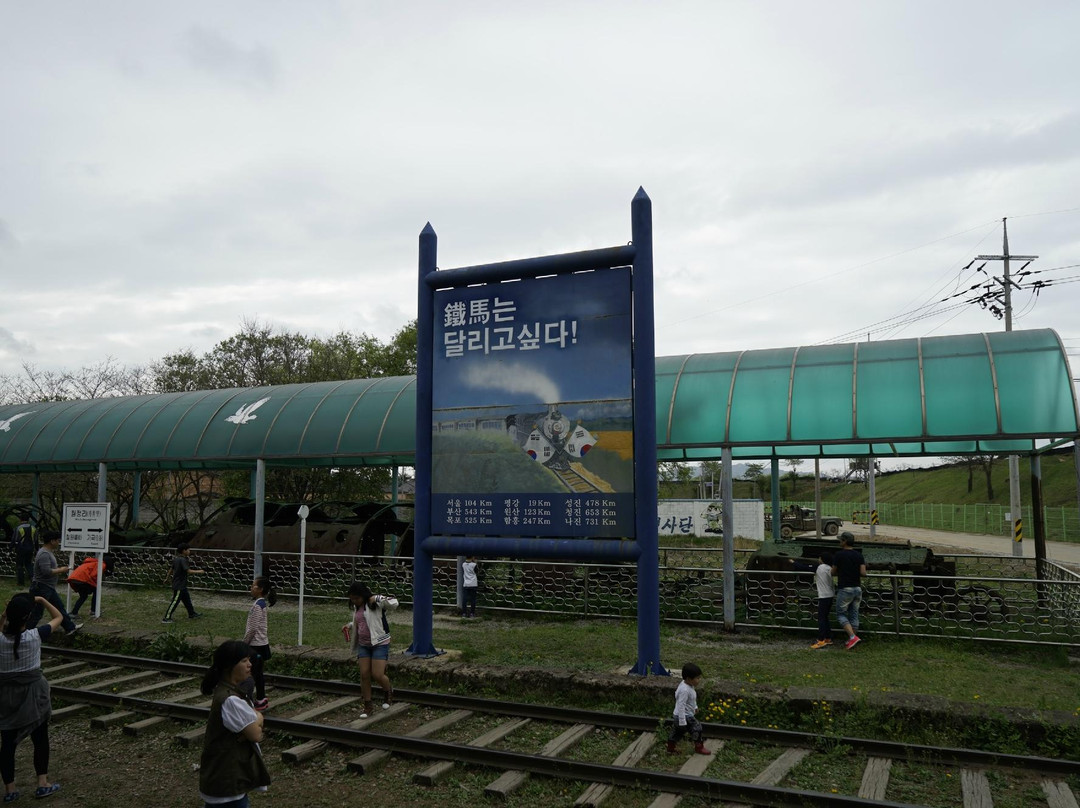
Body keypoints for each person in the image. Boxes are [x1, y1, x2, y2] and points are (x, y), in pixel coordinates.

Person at [1, 593, 64, 801]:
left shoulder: (1, 640)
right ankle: (42, 783)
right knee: (40, 738)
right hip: (34, 697)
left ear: (8, 616)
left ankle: (10, 791)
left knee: (7, 744)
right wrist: (44, 601)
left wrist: (6, 613)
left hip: (7, 697)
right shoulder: (35, 635)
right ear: (27, 618)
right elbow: (58, 618)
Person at [198, 640, 270, 807]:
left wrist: (253, 718)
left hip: (222, 780)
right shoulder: (230, 700)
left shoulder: (226, 691)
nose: (249, 665)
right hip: (227, 781)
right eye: (244, 661)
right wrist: (258, 716)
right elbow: (256, 734)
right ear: (230, 666)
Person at [344, 582, 398, 718]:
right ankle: (368, 705)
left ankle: (388, 691)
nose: (354, 601)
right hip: (364, 645)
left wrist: (378, 597)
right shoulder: (358, 608)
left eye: (356, 598)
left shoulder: (374, 603)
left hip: (380, 642)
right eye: (352, 599)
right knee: (364, 674)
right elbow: (362, 621)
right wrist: (350, 625)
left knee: (378, 674)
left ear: (363, 595)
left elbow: (394, 603)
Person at [27, 532, 79, 635]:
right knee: (37, 613)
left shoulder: (47, 552)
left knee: (59, 607)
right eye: (57, 541)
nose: (58, 543)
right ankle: (24, 633)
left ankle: (70, 627)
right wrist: (61, 570)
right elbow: (46, 571)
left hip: (47, 587)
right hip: (41, 587)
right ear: (52, 541)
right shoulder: (44, 554)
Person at [242, 577, 276, 712]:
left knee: (251, 674)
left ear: (260, 589)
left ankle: (253, 700)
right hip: (261, 643)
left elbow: (252, 628)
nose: (251, 588)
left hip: (256, 644)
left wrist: (244, 643)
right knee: (257, 674)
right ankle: (261, 698)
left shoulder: (257, 606)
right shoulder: (261, 604)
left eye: (253, 586)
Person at [666, 662, 710, 755]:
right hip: (684, 716)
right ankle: (699, 747)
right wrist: (682, 720)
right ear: (689, 679)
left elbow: (691, 700)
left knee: (677, 732)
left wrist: (695, 707)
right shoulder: (685, 690)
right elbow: (681, 704)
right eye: (697, 678)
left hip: (679, 715)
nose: (699, 680)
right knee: (697, 728)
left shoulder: (687, 685)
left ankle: (671, 747)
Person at [832, 532, 867, 649]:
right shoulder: (859, 555)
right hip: (857, 588)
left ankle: (852, 637)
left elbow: (833, 572)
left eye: (840, 540)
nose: (839, 542)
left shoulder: (839, 555)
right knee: (854, 615)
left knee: (840, 614)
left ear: (845, 541)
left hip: (845, 588)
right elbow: (863, 573)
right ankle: (852, 639)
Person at [162, 543, 204, 624]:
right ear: (184, 551)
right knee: (175, 601)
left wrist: (166, 578)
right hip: (179, 585)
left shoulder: (176, 559)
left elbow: (171, 569)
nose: (189, 551)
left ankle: (192, 614)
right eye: (188, 550)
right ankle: (166, 618)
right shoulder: (183, 560)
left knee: (187, 600)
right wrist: (199, 571)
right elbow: (188, 571)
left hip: (182, 585)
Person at [811, 552, 835, 649]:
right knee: (825, 617)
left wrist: (794, 563)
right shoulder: (829, 568)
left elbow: (806, 567)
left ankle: (821, 640)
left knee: (821, 618)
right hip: (830, 595)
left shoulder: (820, 567)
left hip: (824, 596)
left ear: (822, 559)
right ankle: (828, 638)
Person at [11, 521, 37, 587]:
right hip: (30, 549)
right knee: (28, 564)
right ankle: (33, 579)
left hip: (20, 549)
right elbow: (36, 539)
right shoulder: (33, 528)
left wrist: (11, 547)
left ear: (21, 519)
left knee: (20, 565)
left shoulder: (18, 528)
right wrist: (37, 549)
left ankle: (21, 582)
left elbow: (15, 539)